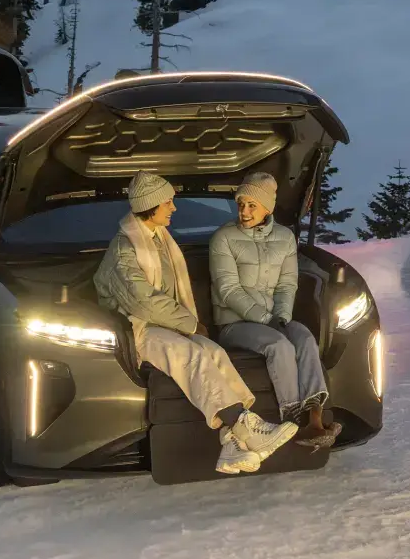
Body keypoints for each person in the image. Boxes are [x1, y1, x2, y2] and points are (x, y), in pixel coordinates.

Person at [94, 171, 299, 475]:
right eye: (168, 203)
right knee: (189, 354)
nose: (174, 208)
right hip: (135, 328)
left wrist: (191, 327)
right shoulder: (126, 250)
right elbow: (143, 301)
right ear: (151, 206)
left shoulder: (159, 238)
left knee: (213, 351)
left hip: (162, 324)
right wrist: (190, 323)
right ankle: (244, 425)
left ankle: (233, 443)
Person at [210, 172, 342, 450]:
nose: (244, 211)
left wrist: (281, 316)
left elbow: (286, 284)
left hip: (273, 318)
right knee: (279, 345)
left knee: (304, 337)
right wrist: (266, 319)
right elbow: (228, 290)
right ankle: (291, 418)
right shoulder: (223, 238)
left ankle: (315, 417)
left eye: (251, 205)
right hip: (235, 322)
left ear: (267, 208)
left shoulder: (284, 238)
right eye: (241, 204)